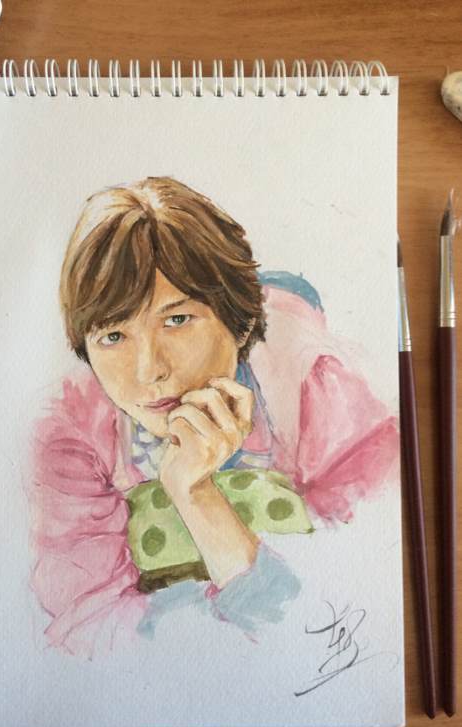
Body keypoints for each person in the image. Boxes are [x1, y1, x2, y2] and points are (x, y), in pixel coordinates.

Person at [27, 176, 399, 659]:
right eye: (113, 337)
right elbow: (87, 629)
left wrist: (197, 494)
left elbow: (350, 596)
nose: (149, 371)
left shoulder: (316, 385)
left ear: (238, 320)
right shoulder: (72, 432)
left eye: (177, 320)